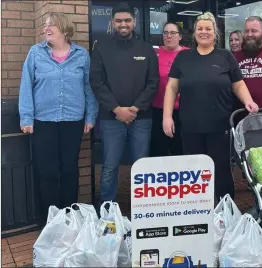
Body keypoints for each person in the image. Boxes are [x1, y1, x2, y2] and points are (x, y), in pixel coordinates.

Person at [162, 12, 259, 201]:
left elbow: (237, 84)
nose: (204, 32)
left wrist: (248, 100)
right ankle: (197, 210)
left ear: (215, 33)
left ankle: (226, 212)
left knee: (221, 169)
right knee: (194, 170)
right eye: (200, 28)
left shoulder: (225, 56)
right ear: (194, 33)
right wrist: (167, 117)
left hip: (220, 125)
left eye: (208, 29)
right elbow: (172, 88)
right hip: (190, 126)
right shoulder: (183, 58)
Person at [18, 12, 98, 214]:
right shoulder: (36, 53)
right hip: (43, 122)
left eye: (51, 25)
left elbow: (89, 87)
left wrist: (90, 115)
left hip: (73, 121)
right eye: (45, 25)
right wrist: (26, 117)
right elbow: (26, 86)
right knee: (48, 172)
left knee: (70, 170)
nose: (46, 29)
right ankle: (50, 219)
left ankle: (68, 216)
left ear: (64, 28)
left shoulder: (81, 55)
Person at [90, 2, 159, 204]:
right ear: (113, 22)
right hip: (111, 118)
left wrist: (135, 109)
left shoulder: (146, 49)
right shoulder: (101, 48)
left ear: (134, 22)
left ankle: (143, 208)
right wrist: (117, 109)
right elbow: (96, 82)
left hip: (141, 118)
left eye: (127, 20)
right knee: (110, 166)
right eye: (119, 20)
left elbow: (153, 83)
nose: (123, 24)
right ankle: (107, 211)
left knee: (141, 166)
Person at [150, 22, 189, 157]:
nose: (169, 36)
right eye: (165, 33)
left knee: (181, 149)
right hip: (158, 109)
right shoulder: (154, 54)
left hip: (183, 110)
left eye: (173, 33)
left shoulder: (188, 54)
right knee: (159, 149)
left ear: (180, 37)